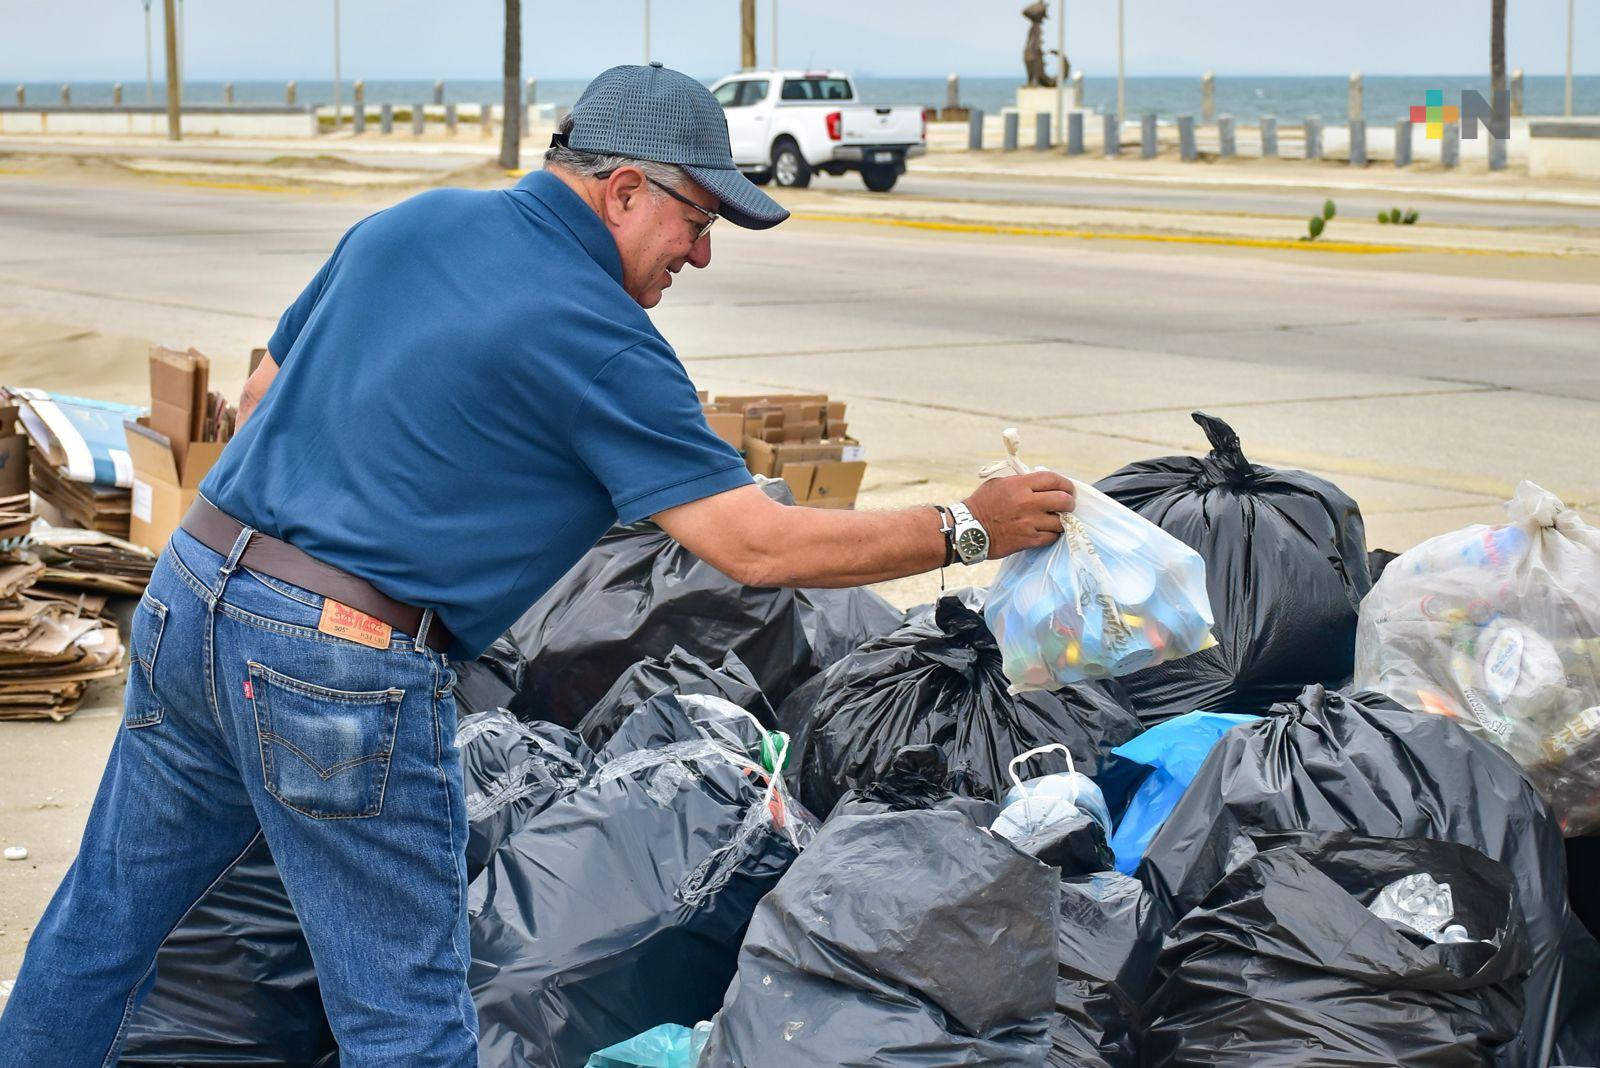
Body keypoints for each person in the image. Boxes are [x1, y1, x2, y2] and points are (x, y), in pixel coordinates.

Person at [0, 63, 1074, 1067]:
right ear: (621, 192)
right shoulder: (594, 332)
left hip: (192, 598)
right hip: (336, 663)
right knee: (406, 1014)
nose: (700, 256)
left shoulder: (412, 222)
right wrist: (966, 527)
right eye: (696, 223)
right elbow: (755, 546)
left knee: (103, 927)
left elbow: (259, 397)